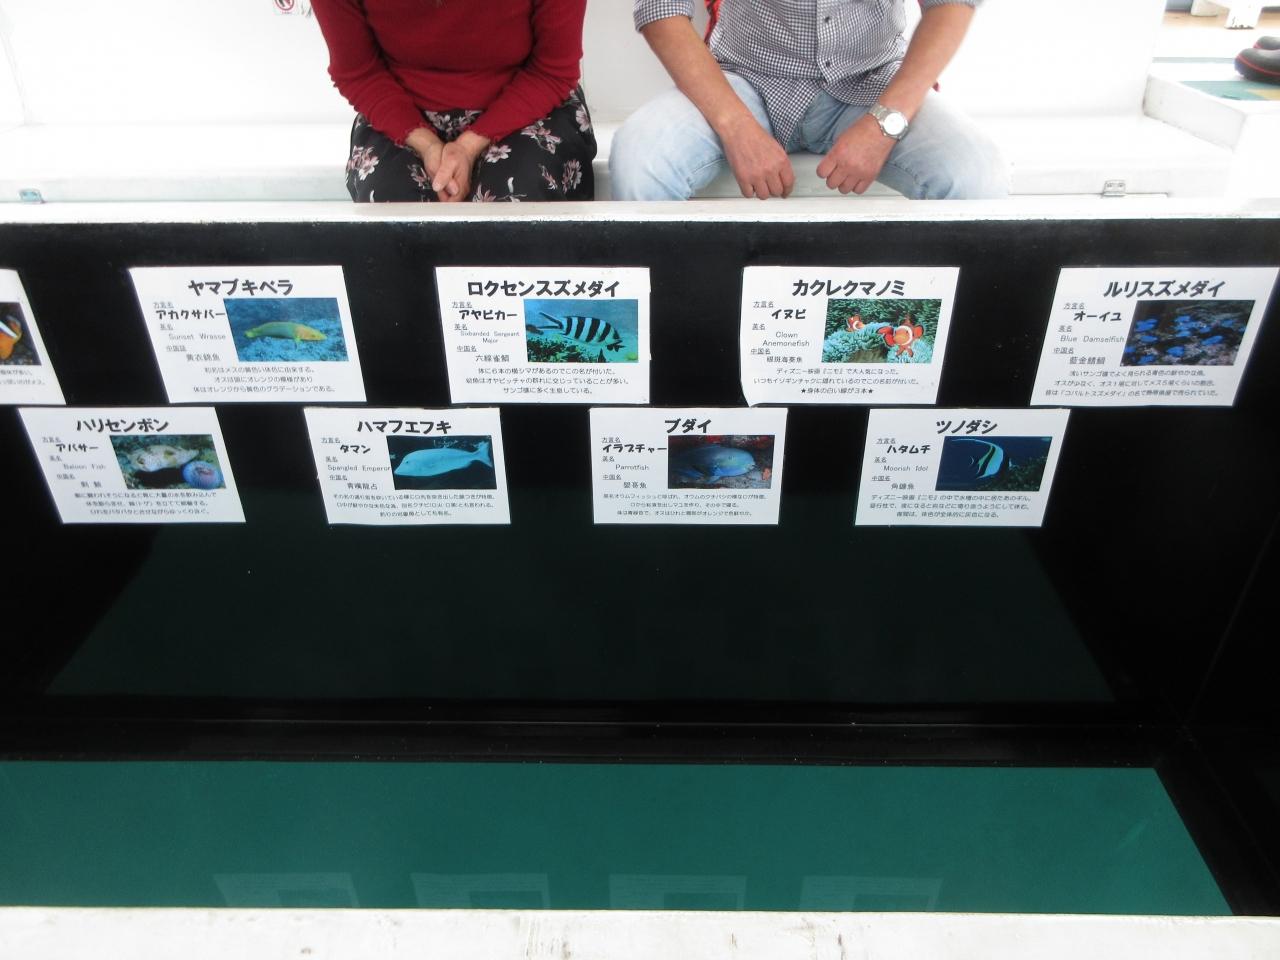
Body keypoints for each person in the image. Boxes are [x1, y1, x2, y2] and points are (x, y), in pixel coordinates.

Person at [609, 0, 1008, 201]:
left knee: (976, 172)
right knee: (642, 158)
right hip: (742, 79)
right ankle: (676, 330)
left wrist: (883, 124)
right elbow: (661, 8)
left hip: (871, 83)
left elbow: (950, 6)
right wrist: (736, 126)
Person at [311, 0, 596, 203]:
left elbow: (551, 69)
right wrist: (427, 145)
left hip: (527, 108)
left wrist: (468, 147)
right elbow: (360, 72)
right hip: (402, 115)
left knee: (516, 199)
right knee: (390, 205)